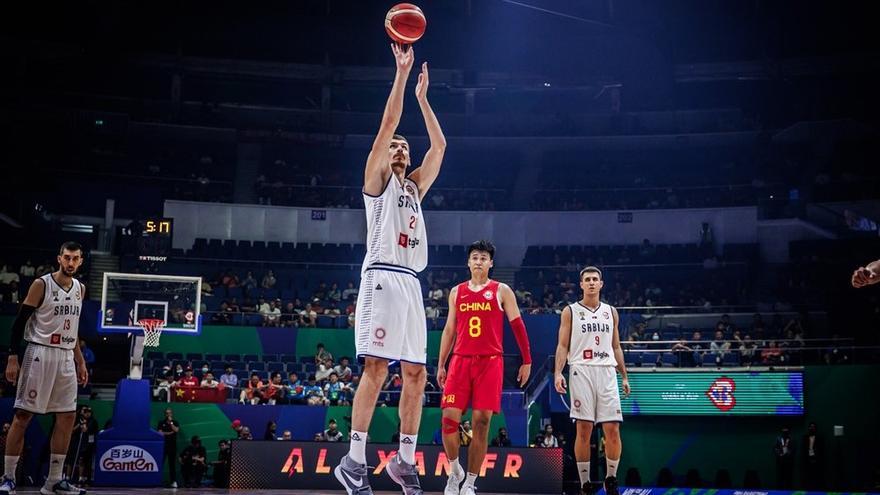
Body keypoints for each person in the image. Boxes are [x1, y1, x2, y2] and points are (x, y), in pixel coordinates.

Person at [335, 41, 446, 495]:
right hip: (380, 277)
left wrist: (424, 99)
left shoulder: (415, 187)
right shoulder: (376, 182)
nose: (400, 148)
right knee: (377, 369)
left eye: (404, 147)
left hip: (412, 286)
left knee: (417, 375)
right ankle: (354, 462)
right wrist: (402, 77)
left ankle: (403, 460)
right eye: (394, 147)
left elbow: (439, 145)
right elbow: (387, 124)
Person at [437, 240, 532, 495]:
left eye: (483, 257)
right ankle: (454, 470)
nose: (478, 261)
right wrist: (441, 363)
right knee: (448, 418)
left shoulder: (502, 290)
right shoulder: (456, 292)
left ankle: (469, 482)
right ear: (468, 262)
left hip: (490, 363)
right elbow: (449, 330)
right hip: (460, 360)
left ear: (491, 263)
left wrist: (527, 360)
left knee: (481, 422)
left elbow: (518, 326)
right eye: (475, 257)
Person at [2, 241, 89, 495]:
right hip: (39, 352)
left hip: (66, 357)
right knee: (23, 416)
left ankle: (53, 482)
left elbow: (72, 328)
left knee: (67, 416)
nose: (71, 262)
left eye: (75, 258)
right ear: (59, 258)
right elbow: (19, 323)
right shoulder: (42, 284)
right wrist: (12, 357)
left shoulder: (80, 289)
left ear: (81, 261)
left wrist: (80, 360)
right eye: (67, 258)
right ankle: (7, 477)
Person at [554, 266, 630, 495]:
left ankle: (611, 479)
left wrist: (624, 376)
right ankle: (585, 483)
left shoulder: (611, 312)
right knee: (584, 429)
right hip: (581, 370)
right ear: (581, 285)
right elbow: (562, 345)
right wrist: (558, 372)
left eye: (595, 279)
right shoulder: (570, 311)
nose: (591, 283)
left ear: (601, 283)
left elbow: (616, 346)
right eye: (587, 279)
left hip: (606, 371)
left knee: (613, 429)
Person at [158, 408, 180, 488]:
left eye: (169, 413)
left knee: (172, 465)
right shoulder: (161, 422)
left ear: (172, 414)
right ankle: (157, 480)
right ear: (165, 414)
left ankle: (173, 481)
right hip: (163, 446)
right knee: (160, 463)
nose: (168, 415)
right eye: (167, 413)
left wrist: (171, 423)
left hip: (172, 446)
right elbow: (160, 433)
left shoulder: (175, 422)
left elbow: (176, 430)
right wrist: (170, 433)